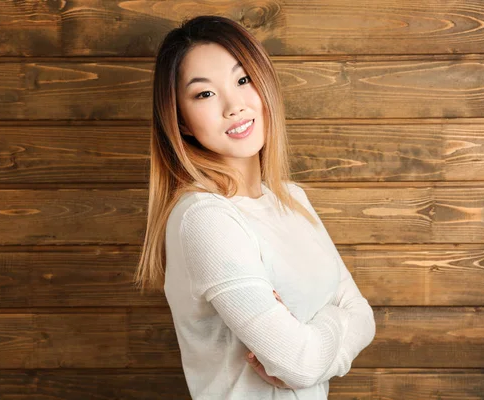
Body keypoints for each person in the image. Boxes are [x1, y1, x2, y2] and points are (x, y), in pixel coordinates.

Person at [133, 15, 376, 399]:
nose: (234, 106)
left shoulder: (292, 199)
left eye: (243, 80)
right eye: (205, 94)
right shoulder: (205, 218)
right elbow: (302, 363)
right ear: (180, 120)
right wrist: (332, 325)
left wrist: (315, 337)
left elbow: (363, 316)